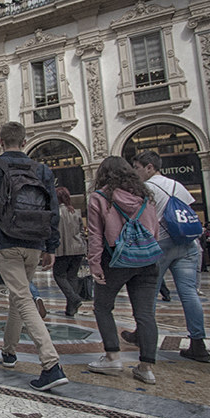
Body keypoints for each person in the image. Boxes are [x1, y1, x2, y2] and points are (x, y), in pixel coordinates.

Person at [0, 121, 66, 391]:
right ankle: (8, 351)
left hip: (6, 241)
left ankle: (51, 363)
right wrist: (51, 245)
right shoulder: (42, 170)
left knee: (23, 298)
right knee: (19, 294)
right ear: (24, 142)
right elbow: (53, 210)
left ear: (0, 142)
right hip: (35, 241)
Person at [85, 156, 161, 384]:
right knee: (145, 314)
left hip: (114, 260)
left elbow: (96, 236)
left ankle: (113, 357)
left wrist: (95, 264)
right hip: (147, 261)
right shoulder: (145, 196)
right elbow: (154, 230)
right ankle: (146, 368)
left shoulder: (99, 198)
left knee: (103, 307)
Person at [130, 150, 210, 363]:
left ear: (149, 167)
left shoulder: (145, 189)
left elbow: (142, 219)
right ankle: (198, 343)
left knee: (148, 293)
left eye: (137, 168)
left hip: (161, 244)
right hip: (187, 243)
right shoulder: (177, 185)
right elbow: (188, 211)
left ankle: (143, 336)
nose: (135, 172)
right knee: (189, 293)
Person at [52, 186, 86, 317]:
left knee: (59, 275)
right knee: (72, 276)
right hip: (77, 248)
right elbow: (81, 231)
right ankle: (71, 308)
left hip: (62, 249)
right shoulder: (75, 212)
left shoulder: (56, 213)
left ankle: (74, 298)